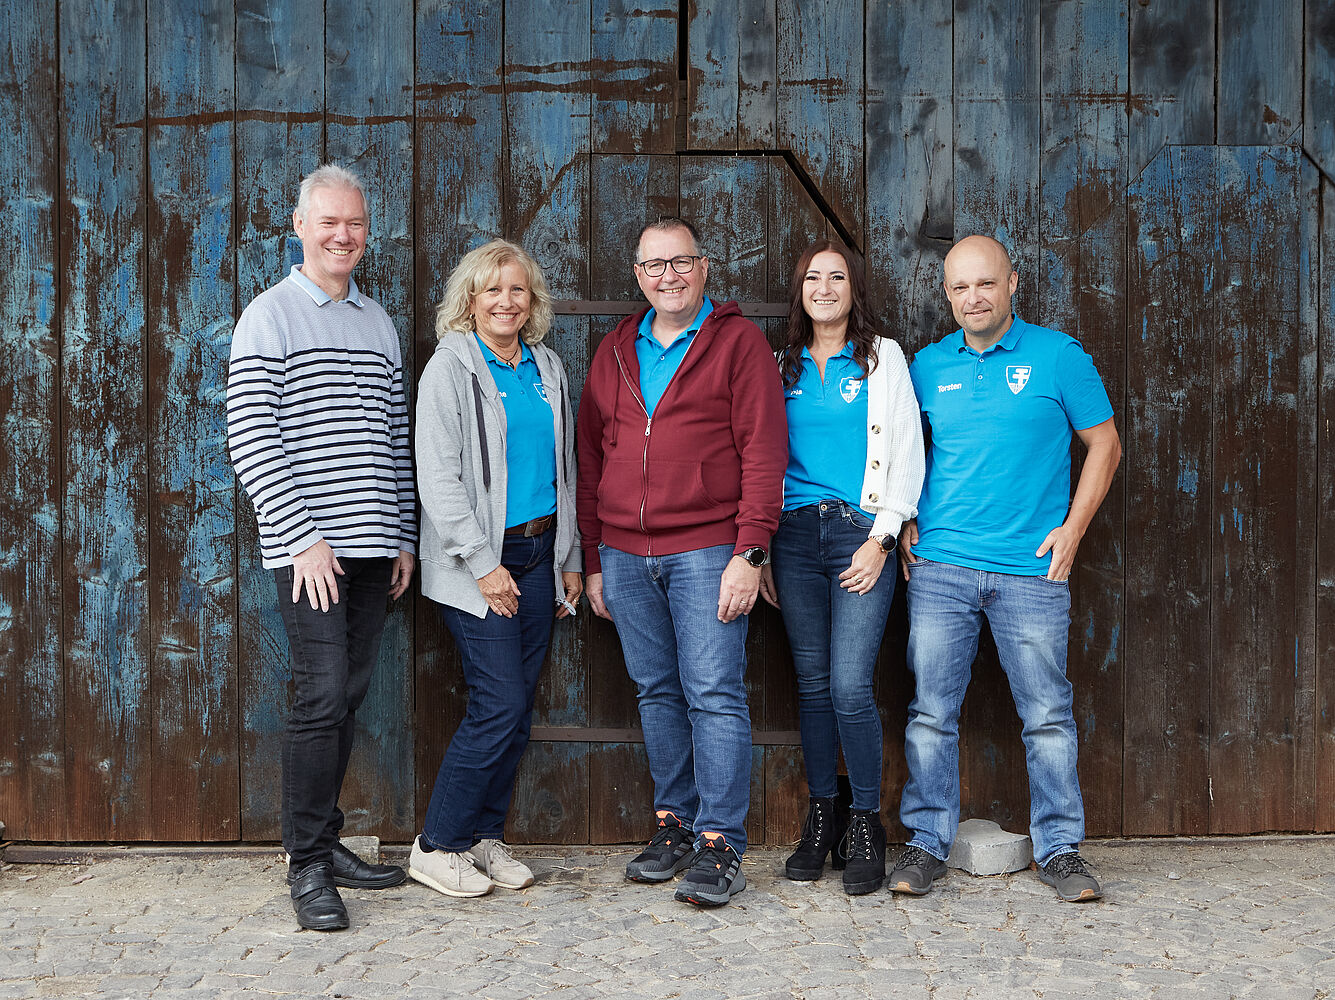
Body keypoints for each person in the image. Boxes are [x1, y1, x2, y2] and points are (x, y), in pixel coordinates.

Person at [889, 234, 1121, 902]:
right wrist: (903, 516)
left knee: (1046, 715)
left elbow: (1104, 445)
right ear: (946, 294)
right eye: (960, 287)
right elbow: (900, 448)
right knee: (930, 714)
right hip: (940, 567)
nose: (973, 298)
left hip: (1031, 570)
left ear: (1012, 283)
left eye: (985, 283)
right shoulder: (927, 366)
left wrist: (1073, 530)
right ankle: (926, 842)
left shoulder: (1058, 356)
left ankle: (1060, 850)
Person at [575, 217, 787, 907]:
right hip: (623, 553)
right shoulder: (615, 349)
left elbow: (764, 454)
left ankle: (720, 843)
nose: (668, 276)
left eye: (681, 262)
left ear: (703, 268)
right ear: (638, 275)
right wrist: (594, 558)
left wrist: (750, 552)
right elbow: (589, 458)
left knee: (713, 693)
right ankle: (676, 826)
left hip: (706, 550)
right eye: (654, 265)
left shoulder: (738, 344)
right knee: (656, 692)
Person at [227, 164, 416, 932]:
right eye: (329, 222)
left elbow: (394, 437)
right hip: (311, 551)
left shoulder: (377, 322)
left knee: (347, 695)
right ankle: (305, 864)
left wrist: (403, 535)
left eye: (355, 223)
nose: (343, 235)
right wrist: (302, 538)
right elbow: (251, 437)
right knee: (320, 694)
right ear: (299, 227)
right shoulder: (269, 316)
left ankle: (325, 842)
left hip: (374, 545)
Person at [409, 239, 582, 899]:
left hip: (539, 554)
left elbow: (564, 468)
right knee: (498, 702)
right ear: (471, 300)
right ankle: (436, 844)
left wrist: (569, 556)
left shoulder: (546, 366)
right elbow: (438, 478)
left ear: (531, 301)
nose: (506, 302)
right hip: (479, 562)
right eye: (492, 290)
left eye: (517, 290)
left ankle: (482, 837)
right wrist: (483, 564)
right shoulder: (449, 368)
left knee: (517, 708)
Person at [760, 239, 924, 895]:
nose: (823, 288)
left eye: (835, 277)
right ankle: (821, 816)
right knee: (811, 684)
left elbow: (907, 450)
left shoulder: (882, 357)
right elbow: (758, 457)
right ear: (798, 289)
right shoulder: (779, 363)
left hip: (859, 534)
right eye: (811, 277)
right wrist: (761, 546)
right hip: (794, 537)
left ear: (853, 287)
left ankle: (864, 822)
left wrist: (882, 538)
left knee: (850, 686)